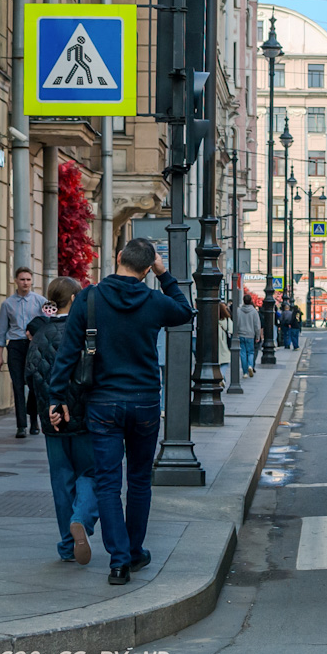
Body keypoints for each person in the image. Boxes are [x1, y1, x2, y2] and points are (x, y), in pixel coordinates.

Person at [47, 239, 193, 585]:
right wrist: (165, 273)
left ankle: (119, 561)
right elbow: (185, 312)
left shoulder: (89, 298)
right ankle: (135, 550)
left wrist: (57, 396)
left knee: (109, 483)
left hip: (103, 404)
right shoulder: (154, 300)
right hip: (144, 401)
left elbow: (68, 352)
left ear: (117, 259)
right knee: (140, 481)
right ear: (147, 270)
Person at [26, 277, 99, 565]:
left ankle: (68, 545)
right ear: (73, 298)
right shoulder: (83, 331)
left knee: (61, 481)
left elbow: (29, 376)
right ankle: (81, 519)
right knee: (90, 474)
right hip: (84, 417)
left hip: (52, 421)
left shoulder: (41, 333)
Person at [0, 267, 48, 438]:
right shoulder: (7, 304)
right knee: (18, 386)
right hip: (16, 347)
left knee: (34, 384)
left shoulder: (41, 301)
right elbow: (2, 331)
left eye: (28, 279)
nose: (25, 283)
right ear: (16, 281)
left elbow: (48, 323)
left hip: (34, 347)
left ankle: (34, 421)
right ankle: (21, 426)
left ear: (32, 281)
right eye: (22, 279)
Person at [235, 294, 261, 378]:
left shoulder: (238, 310)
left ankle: (245, 372)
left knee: (242, 353)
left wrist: (237, 332)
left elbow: (236, 323)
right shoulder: (254, 311)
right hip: (250, 335)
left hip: (241, 334)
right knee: (250, 352)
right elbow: (257, 325)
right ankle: (250, 365)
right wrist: (258, 336)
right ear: (250, 301)